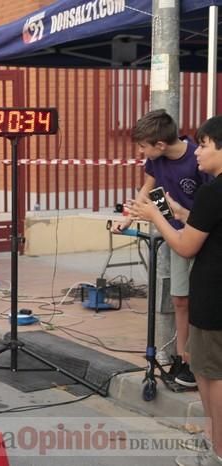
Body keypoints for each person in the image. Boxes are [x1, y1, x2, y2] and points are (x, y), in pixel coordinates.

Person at [128, 116, 222, 466]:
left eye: (207, 145)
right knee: (204, 368)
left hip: (212, 292)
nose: (200, 152)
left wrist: (158, 217)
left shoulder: (213, 190)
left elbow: (186, 245)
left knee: (212, 375)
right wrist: (175, 211)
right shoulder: (211, 193)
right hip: (208, 290)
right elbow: (197, 222)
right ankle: (212, 441)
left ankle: (217, 451)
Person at [111, 109, 210, 389]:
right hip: (174, 235)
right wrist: (128, 217)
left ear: (161, 144)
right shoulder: (157, 162)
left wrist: (177, 214)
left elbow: (207, 205)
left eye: (143, 146)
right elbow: (149, 188)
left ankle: (200, 360)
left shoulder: (198, 158)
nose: (141, 151)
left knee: (202, 302)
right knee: (180, 299)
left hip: (200, 235)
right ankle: (183, 357)